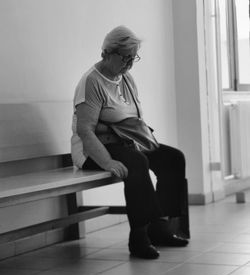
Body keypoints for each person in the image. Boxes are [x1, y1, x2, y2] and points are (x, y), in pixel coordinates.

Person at [71, 25, 189, 259]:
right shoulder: (91, 82)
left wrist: (141, 140)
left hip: (125, 142)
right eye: (125, 57)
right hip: (94, 150)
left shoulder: (126, 78)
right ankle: (139, 237)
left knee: (172, 158)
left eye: (133, 57)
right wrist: (106, 162)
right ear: (106, 53)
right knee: (136, 163)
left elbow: (135, 118)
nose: (129, 63)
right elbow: (86, 131)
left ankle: (161, 227)